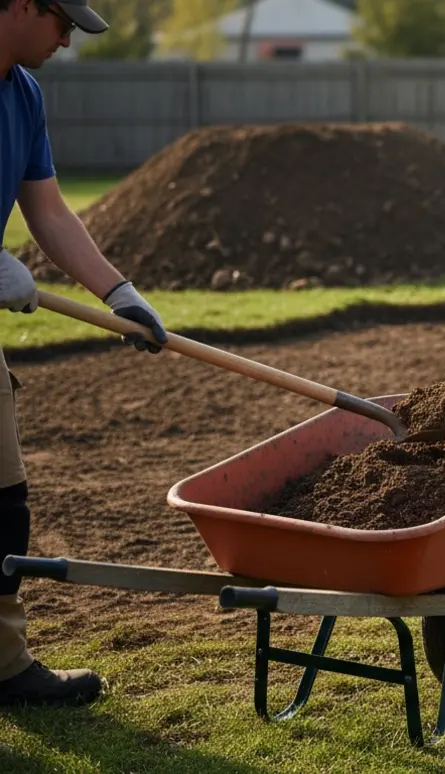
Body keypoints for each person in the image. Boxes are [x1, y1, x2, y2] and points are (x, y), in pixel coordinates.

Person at [0, 0, 168, 706]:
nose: (69, 38)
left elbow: (47, 209)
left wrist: (118, 291)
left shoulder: (24, 93)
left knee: (3, 502)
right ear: (17, 4)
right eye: (62, 21)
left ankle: (3, 663)